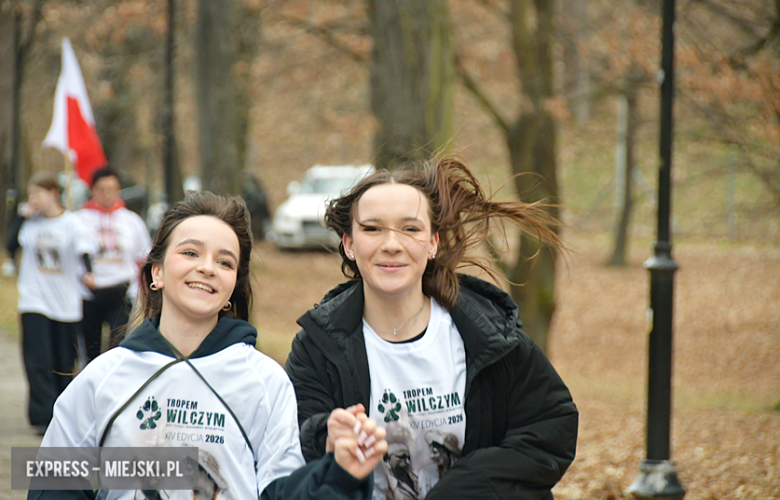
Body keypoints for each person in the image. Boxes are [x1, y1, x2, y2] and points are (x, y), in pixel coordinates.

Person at [30, 191, 387, 500]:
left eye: (224, 262)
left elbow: (282, 491)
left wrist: (339, 471)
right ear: (156, 273)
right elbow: (53, 484)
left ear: (233, 285)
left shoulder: (266, 381)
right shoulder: (104, 376)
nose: (207, 268)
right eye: (190, 253)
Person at [285, 156, 579, 500]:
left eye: (410, 228)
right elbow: (291, 455)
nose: (391, 244)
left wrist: (461, 491)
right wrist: (326, 438)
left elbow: (550, 429)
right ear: (350, 245)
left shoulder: (490, 336)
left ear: (432, 243)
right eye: (372, 228)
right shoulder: (316, 347)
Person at [5, 172, 97, 436]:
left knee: (63, 360)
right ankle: (42, 414)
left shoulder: (71, 223)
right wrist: (22, 216)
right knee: (38, 359)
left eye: (38, 194)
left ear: (53, 194)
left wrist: (89, 272)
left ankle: (62, 410)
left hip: (65, 303)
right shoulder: (30, 224)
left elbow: (84, 249)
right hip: (34, 300)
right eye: (31, 194)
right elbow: (11, 246)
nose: (33, 199)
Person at [78, 166, 151, 361]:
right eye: (102, 189)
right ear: (93, 190)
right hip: (89, 294)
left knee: (117, 347)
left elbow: (145, 256)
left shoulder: (131, 221)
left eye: (113, 189)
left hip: (120, 291)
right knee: (90, 349)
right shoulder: (80, 220)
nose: (108, 194)